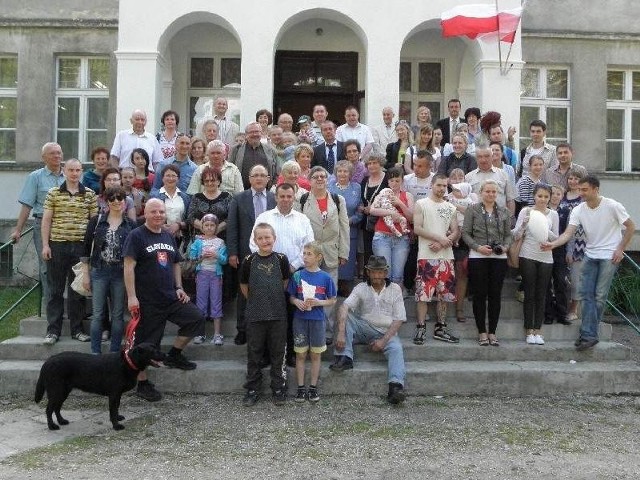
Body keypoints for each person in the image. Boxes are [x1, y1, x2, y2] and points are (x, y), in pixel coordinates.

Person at [124, 198, 205, 402]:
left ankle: (175, 355)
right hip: (147, 301)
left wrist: (179, 287)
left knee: (196, 318)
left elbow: (176, 263)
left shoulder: (168, 236)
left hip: (170, 297)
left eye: (161, 212)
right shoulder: (136, 235)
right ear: (146, 213)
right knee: (144, 344)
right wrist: (132, 296)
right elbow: (128, 267)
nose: (158, 215)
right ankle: (142, 384)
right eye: (154, 212)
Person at [542, 176, 635, 351]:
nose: (581, 193)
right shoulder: (578, 210)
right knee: (586, 294)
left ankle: (588, 334)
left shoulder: (612, 206)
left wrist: (620, 249)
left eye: (585, 190)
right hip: (590, 255)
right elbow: (568, 234)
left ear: (595, 189)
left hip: (609, 255)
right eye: (579, 190)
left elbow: (630, 226)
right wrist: (552, 244)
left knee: (599, 296)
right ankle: (589, 334)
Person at [250, 183, 315, 364]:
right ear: (276, 197)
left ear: (294, 197)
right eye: (282, 196)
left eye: (289, 196)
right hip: (267, 273)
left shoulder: (302, 219)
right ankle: (266, 355)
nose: (285, 200)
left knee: (292, 315)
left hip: (295, 274)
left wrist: (292, 266)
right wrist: (272, 265)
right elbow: (254, 243)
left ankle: (291, 354)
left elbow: (308, 246)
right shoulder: (265, 217)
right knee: (268, 315)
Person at [330, 255, 407, 405]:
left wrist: (383, 341)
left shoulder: (395, 289)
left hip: (386, 332)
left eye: (380, 272)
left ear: (386, 273)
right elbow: (345, 306)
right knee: (346, 315)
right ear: (368, 272)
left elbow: (399, 319)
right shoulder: (361, 287)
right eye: (373, 272)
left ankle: (395, 387)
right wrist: (340, 333)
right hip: (364, 327)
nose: (377, 275)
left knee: (396, 348)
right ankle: (344, 357)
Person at [41, 158, 98, 345]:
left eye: (78, 170)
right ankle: (53, 331)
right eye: (71, 170)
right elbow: (47, 220)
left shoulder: (89, 194)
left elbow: (93, 224)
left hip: (80, 248)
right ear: (64, 171)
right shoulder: (53, 193)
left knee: (78, 291)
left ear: (82, 172)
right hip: (57, 245)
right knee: (55, 290)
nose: (74, 173)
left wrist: (90, 250)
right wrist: (45, 245)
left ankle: (77, 330)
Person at [240, 223, 291, 407]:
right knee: (254, 354)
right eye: (260, 238)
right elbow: (244, 286)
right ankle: (252, 388)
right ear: (255, 240)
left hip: (278, 314)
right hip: (255, 315)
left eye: (267, 237)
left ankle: (278, 387)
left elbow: (285, 282)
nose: (264, 241)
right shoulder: (248, 260)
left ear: (274, 238)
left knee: (278, 353)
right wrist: (256, 300)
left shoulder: (281, 259)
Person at [81, 186, 136, 354]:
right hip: (99, 271)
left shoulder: (131, 225)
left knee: (118, 314)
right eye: (112, 198)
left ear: (125, 201)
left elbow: (135, 252)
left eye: (120, 198)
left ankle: (113, 353)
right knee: (98, 314)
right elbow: (85, 248)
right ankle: (95, 353)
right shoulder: (96, 221)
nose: (116, 201)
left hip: (120, 273)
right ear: (106, 201)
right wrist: (85, 274)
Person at [298, 166, 349, 342]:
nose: (320, 179)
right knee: (310, 290)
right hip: (311, 252)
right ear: (310, 180)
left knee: (329, 292)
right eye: (316, 177)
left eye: (323, 176)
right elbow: (299, 229)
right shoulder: (303, 199)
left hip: (331, 251)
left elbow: (344, 227)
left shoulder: (337, 199)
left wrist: (344, 252)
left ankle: (326, 330)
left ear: (327, 180)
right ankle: (309, 327)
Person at [226, 165, 276, 345]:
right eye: (255, 175)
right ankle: (242, 330)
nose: (259, 178)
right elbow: (232, 227)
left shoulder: (274, 198)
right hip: (245, 254)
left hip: (269, 255)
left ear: (268, 178)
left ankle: (265, 331)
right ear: (249, 178)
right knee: (244, 292)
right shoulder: (239, 198)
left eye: (263, 175)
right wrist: (232, 253)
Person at [11, 142, 66, 305]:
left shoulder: (70, 175)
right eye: (52, 153)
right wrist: (18, 230)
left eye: (59, 152)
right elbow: (27, 205)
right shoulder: (35, 177)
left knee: (66, 264)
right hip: (43, 225)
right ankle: (50, 304)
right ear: (44, 158)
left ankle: (66, 303)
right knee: (46, 265)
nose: (57, 156)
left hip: (66, 225)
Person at [462, 179, 512, 346]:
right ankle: (482, 331)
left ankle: (493, 332)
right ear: (481, 193)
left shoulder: (504, 211)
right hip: (478, 257)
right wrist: (477, 247)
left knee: (495, 295)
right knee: (479, 295)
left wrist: (505, 247)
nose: (491, 194)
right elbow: (465, 233)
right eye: (487, 191)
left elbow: (508, 235)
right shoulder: (472, 209)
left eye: (493, 192)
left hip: (499, 258)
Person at [413, 174, 460, 345]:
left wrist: (444, 242)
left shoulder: (450, 207)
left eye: (444, 186)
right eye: (439, 185)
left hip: (446, 257)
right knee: (423, 295)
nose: (441, 188)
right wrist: (440, 238)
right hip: (426, 256)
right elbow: (417, 228)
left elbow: (455, 230)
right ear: (431, 185)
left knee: (444, 295)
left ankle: (441, 328)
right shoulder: (421, 204)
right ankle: (421, 328)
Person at [288, 242, 337, 403]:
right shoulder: (298, 275)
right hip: (300, 320)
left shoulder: (325, 277)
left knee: (315, 354)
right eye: (304, 253)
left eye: (309, 254)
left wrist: (318, 302)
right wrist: (296, 302)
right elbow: (291, 296)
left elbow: (332, 300)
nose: (305, 257)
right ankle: (301, 388)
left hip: (317, 320)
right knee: (300, 354)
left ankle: (313, 387)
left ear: (319, 257)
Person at [512, 184, 559, 345]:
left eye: (546, 196)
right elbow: (515, 234)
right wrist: (525, 224)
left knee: (542, 294)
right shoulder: (526, 211)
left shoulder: (553, 214)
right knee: (529, 294)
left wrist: (543, 227)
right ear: (534, 196)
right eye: (540, 196)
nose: (543, 199)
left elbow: (556, 239)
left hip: (546, 257)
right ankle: (528, 331)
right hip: (528, 255)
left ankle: (538, 331)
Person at [369, 167, 414, 290]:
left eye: (397, 181)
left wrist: (400, 203)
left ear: (402, 181)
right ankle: (384, 302)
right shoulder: (383, 193)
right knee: (385, 273)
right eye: (392, 180)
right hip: (382, 236)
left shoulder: (407, 195)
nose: (394, 183)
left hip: (401, 239)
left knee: (398, 275)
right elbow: (372, 210)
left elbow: (411, 218)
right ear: (388, 182)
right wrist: (390, 212)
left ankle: (396, 302)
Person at [190, 213, 228, 345]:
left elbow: (224, 261)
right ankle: (200, 333)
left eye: (212, 225)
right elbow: (192, 258)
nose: (209, 228)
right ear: (202, 226)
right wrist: (201, 256)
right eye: (206, 225)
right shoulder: (198, 241)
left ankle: (217, 334)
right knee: (201, 302)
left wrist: (217, 255)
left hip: (216, 275)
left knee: (216, 301)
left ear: (217, 227)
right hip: (202, 275)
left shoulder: (220, 242)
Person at [328, 160, 363, 296]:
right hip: (332, 231)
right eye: (340, 171)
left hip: (350, 231)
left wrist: (350, 220)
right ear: (336, 173)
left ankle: (345, 288)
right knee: (332, 261)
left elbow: (359, 210)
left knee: (347, 262)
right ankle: (331, 288)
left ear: (350, 173)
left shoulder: (357, 188)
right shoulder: (329, 187)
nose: (342, 174)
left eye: (345, 171)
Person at [558, 168, 587, 322]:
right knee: (561, 278)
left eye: (576, 178)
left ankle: (574, 308)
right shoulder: (562, 195)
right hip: (558, 239)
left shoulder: (583, 199)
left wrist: (571, 249)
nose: (573, 181)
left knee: (576, 278)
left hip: (577, 243)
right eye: (571, 178)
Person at [447, 179, 478, 323]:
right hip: (444, 237)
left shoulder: (471, 201)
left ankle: (459, 309)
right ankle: (442, 310)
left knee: (461, 273)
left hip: (463, 240)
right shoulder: (446, 198)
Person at [544, 184, 572, 326]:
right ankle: (548, 313)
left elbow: (570, 232)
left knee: (560, 281)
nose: (555, 196)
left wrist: (569, 251)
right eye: (552, 193)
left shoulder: (567, 211)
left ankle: (562, 313)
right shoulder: (543, 210)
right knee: (546, 282)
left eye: (558, 194)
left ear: (562, 196)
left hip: (560, 250)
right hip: (544, 249)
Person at [150, 164, 191, 246]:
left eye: (174, 176)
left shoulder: (185, 197)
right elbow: (149, 216)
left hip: (180, 238)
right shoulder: (154, 196)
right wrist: (161, 226)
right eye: (168, 176)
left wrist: (178, 225)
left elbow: (189, 219)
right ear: (162, 178)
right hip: (159, 236)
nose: (171, 178)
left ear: (178, 178)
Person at [228, 121, 277, 189]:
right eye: (251, 132)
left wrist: (272, 188)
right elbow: (230, 170)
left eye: (257, 131)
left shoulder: (271, 150)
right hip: (243, 192)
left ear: (261, 133)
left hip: (266, 192)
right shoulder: (236, 149)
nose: (254, 134)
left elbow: (276, 171)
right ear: (246, 135)